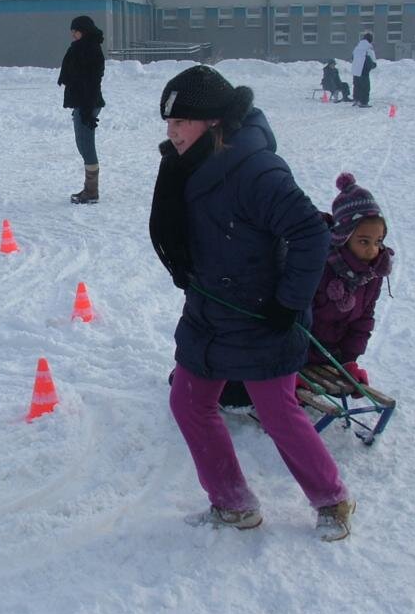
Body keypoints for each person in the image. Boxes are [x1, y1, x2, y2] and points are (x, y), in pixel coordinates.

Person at [149, 64, 355, 541]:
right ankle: (233, 503)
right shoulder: (188, 162)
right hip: (209, 308)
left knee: (277, 411)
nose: (172, 132)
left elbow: (310, 233)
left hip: (261, 312)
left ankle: (333, 500)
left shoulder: (255, 169)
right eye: (169, 122)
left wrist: (288, 303)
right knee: (188, 402)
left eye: (181, 122)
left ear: (214, 122)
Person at [308, 173, 393, 387]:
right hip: (297, 353)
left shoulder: (371, 275)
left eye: (378, 241)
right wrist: (292, 364)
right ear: (343, 237)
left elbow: (363, 321)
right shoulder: (320, 266)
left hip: (333, 355)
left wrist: (349, 360)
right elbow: (298, 318)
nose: (373, 250)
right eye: (364, 241)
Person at [58, 15, 106, 204]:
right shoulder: (81, 47)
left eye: (75, 31)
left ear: (83, 31)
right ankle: (89, 189)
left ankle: (91, 191)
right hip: (83, 102)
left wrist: (87, 109)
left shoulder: (90, 50)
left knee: (86, 145)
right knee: (82, 144)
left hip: (88, 103)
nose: (73, 35)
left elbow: (92, 81)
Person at [351, 32, 376, 108]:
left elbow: (352, 57)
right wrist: (373, 65)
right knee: (365, 87)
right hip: (364, 71)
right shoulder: (368, 48)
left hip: (355, 70)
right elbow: (372, 60)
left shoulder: (357, 47)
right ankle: (364, 102)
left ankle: (356, 99)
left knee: (357, 86)